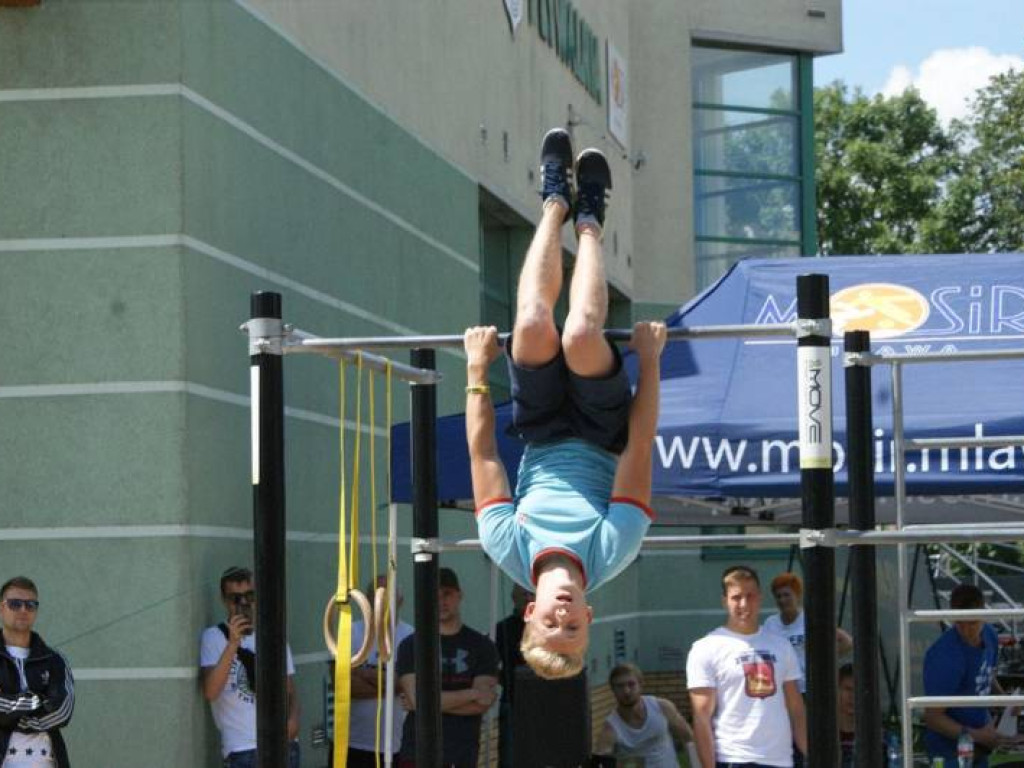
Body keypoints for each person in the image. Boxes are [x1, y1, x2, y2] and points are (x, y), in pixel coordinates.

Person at [464, 126, 667, 680]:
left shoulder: (506, 546)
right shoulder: (613, 550)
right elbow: (639, 448)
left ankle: (555, 200)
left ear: (530, 611)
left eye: (551, 625)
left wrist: (476, 370)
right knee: (578, 337)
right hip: (603, 432)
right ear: (588, 615)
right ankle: (591, 221)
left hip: (544, 431)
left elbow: (484, 456)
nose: (562, 617)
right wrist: (649, 361)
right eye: (573, 628)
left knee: (530, 326)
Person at [687, 565, 807, 768]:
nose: (744, 604)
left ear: (759, 598)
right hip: (734, 758)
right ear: (724, 601)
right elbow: (701, 717)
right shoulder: (706, 648)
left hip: (780, 760)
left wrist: (811, 753)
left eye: (750, 596)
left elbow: (796, 708)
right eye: (736, 597)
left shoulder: (781, 645)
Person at [395, 568, 500, 768]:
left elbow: (483, 704)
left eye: (447, 594)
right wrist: (472, 693)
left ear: (459, 595)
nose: (441, 601)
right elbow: (418, 700)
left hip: (461, 754)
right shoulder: (411, 645)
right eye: (434, 595)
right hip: (417, 753)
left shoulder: (482, 646)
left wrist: (426, 704)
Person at [200, 566, 301, 768]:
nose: (244, 603)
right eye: (235, 598)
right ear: (224, 601)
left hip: (283, 745)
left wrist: (293, 720)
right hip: (243, 748)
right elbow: (210, 692)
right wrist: (233, 644)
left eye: (249, 595)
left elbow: (289, 690)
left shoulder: (273, 634)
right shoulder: (214, 637)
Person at [923, 583, 1014, 767]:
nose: (966, 630)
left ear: (983, 614)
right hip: (948, 754)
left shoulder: (990, 636)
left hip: (980, 745)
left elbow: (986, 672)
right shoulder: (944, 656)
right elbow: (933, 718)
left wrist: (1006, 703)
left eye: (972, 622)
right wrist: (979, 735)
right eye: (959, 622)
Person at [0, 576, 74, 768]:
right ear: (1, 608)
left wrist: (18, 720)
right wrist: (37, 700)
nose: (23, 610)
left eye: (30, 605)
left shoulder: (54, 659)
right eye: (15, 604)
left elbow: (62, 711)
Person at [346, 575, 414, 767]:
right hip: (354, 742)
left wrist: (363, 673)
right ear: (366, 601)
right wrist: (395, 685)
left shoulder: (411, 637)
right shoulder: (351, 633)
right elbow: (344, 686)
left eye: (387, 596)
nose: (380, 601)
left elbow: (411, 687)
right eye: (375, 596)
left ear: (400, 600)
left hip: (399, 745)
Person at [594, 662, 699, 768]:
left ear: (641, 685)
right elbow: (600, 759)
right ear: (613, 690)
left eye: (631, 684)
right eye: (620, 686)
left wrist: (697, 766)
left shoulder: (662, 707)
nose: (626, 691)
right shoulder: (611, 728)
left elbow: (688, 738)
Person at [494, 583, 532, 768]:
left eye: (531, 593)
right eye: (522, 593)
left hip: (547, 705)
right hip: (512, 703)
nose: (527, 597)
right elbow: (490, 666)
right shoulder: (502, 629)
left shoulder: (551, 627)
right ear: (513, 597)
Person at [837, 663, 855, 768]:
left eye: (857, 690)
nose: (852, 696)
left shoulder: (876, 738)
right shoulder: (823, 737)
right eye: (848, 689)